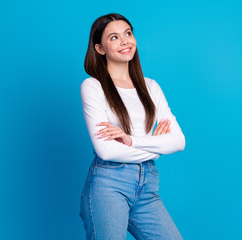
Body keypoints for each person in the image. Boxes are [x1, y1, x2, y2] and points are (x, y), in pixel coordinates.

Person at [79, 13, 186, 240]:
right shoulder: (93, 87)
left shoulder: (151, 87)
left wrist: (131, 140)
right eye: (114, 37)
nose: (125, 41)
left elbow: (178, 141)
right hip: (109, 185)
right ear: (100, 49)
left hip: (147, 185)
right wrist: (157, 147)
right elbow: (107, 150)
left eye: (128, 33)